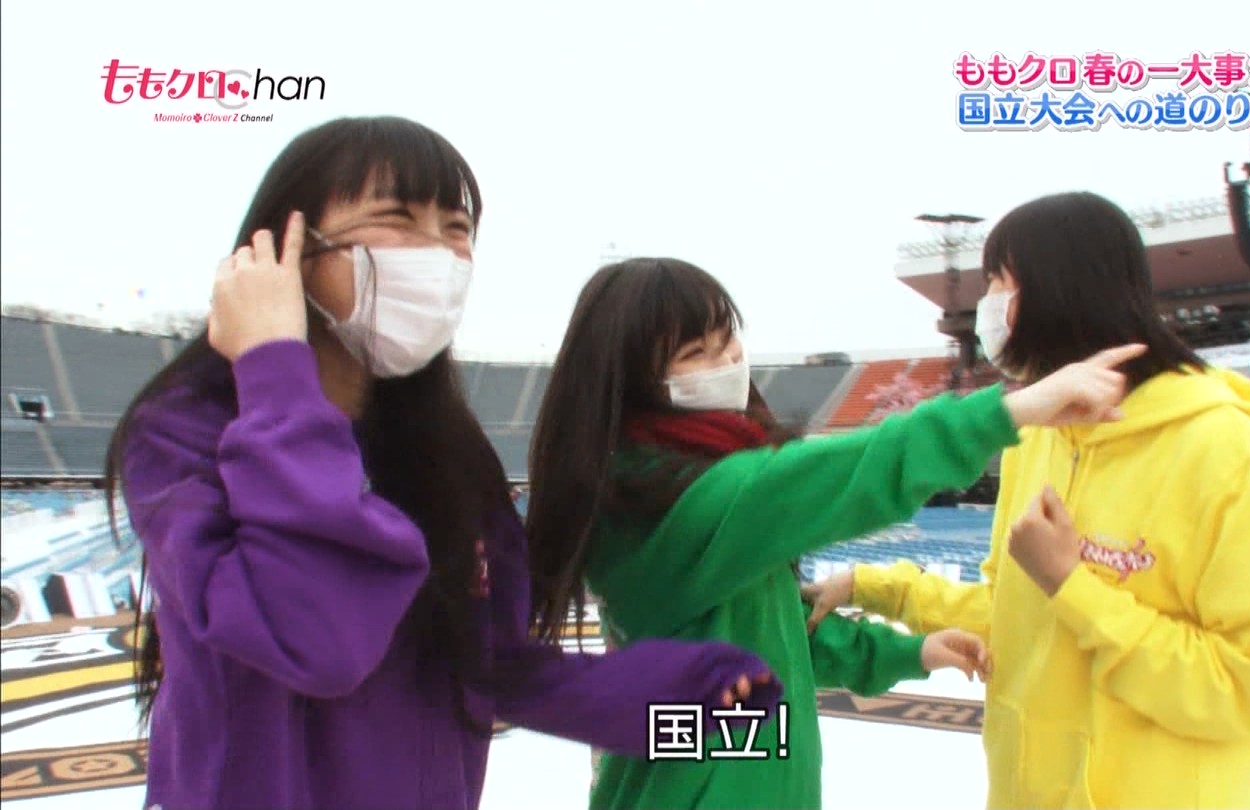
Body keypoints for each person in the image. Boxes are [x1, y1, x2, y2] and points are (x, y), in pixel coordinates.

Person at [103, 116, 781, 810]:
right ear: (286, 250)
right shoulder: (183, 434)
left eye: (457, 230)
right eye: (398, 218)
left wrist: (681, 698)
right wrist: (274, 370)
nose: (438, 254)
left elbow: (492, 667)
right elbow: (317, 639)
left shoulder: (449, 456)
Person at [523, 257, 1144, 809]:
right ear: (634, 380)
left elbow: (773, 640)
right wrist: (1013, 409)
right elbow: (842, 473)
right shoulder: (673, 507)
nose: (729, 360)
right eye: (696, 353)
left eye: (727, 337)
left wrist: (911, 653)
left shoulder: (697, 489)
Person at [804, 191, 1250, 809]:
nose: (986, 309)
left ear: (1058, 291)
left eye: (997, 285)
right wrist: (873, 587)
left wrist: (1072, 584)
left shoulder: (1222, 450)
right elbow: (1015, 616)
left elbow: (1239, 689)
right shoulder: (1039, 436)